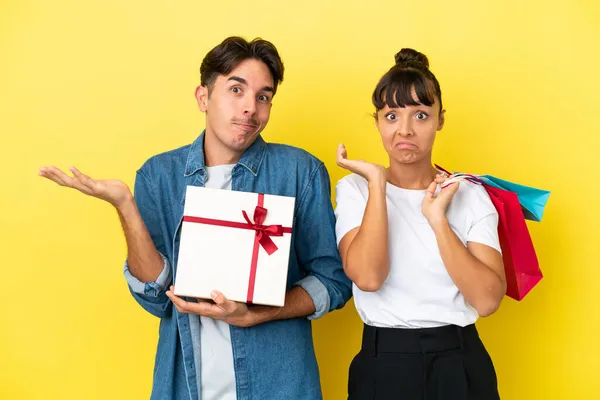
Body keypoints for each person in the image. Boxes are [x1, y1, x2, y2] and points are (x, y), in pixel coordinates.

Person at [39, 36, 352, 400]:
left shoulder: (300, 171)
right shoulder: (158, 176)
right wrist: (124, 204)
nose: (251, 108)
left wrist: (259, 313)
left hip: (279, 384)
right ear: (203, 97)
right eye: (237, 89)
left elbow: (334, 282)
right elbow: (157, 298)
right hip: (186, 386)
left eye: (263, 96)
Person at [334, 48, 505, 399]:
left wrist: (437, 220)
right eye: (392, 116)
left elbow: (487, 301)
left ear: (440, 119)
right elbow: (368, 277)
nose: (405, 130)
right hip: (384, 363)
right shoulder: (355, 189)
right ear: (377, 121)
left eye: (421, 115)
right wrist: (378, 183)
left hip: (460, 361)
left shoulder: (470, 193)